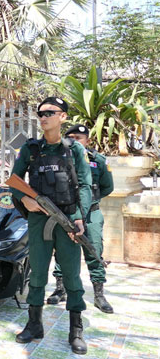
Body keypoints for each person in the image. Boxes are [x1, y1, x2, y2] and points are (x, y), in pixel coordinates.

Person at [10, 97, 92, 354]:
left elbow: (86, 185)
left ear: (63, 117)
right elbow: (14, 180)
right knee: (37, 272)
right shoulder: (31, 149)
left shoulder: (74, 149)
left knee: (71, 274)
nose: (44, 117)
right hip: (39, 219)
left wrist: (80, 217)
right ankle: (34, 324)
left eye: (50, 113)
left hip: (67, 218)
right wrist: (25, 199)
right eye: (41, 114)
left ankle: (76, 329)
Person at [47, 124, 114, 313]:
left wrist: (88, 203)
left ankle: (99, 295)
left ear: (87, 141)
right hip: (65, 213)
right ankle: (60, 289)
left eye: (78, 138)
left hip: (91, 214)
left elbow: (107, 187)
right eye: (71, 138)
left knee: (94, 250)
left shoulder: (98, 160)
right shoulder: (58, 158)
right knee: (61, 251)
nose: (74, 141)